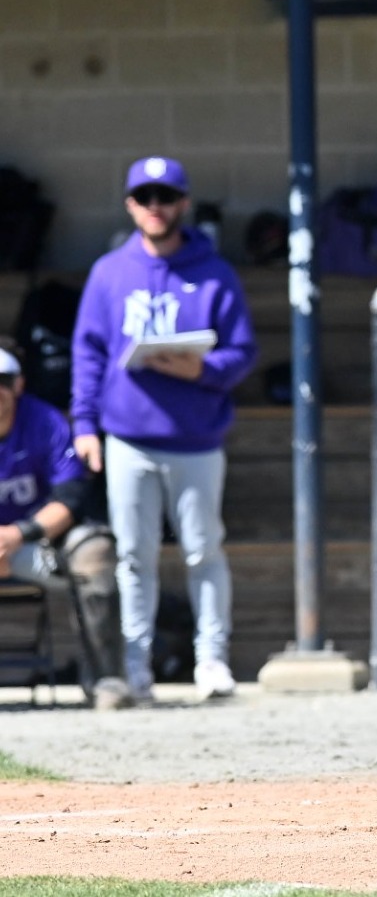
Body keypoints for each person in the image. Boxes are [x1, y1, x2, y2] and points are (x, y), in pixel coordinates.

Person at [70, 156, 258, 704]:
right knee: (134, 556)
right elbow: (87, 353)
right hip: (127, 436)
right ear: (131, 205)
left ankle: (212, 662)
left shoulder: (214, 271)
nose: (156, 207)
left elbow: (243, 352)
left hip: (196, 437)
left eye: (166, 196)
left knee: (204, 551)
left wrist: (205, 369)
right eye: (145, 197)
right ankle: (136, 668)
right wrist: (84, 425)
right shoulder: (109, 271)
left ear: (183, 203)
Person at [0, 346, 130, 709]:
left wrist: (15, 537)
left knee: (95, 554)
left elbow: (69, 501)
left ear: (18, 385)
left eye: (3, 382)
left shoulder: (45, 422)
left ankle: (107, 679)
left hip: (37, 543)